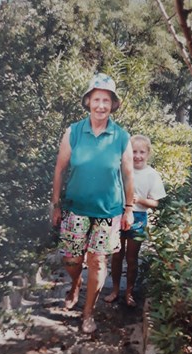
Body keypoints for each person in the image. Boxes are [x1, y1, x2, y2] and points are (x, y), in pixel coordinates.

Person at [51, 73, 134, 333]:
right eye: (97, 99)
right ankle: (75, 284)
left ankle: (88, 313)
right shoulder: (73, 132)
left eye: (106, 100)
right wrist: (55, 204)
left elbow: (128, 175)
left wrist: (129, 208)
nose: (101, 105)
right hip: (75, 209)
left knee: (98, 262)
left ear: (112, 104)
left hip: (107, 212)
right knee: (72, 259)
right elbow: (59, 170)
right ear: (88, 101)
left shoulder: (122, 137)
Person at [105, 134, 166, 307]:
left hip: (138, 218)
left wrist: (138, 200)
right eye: (134, 152)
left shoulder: (152, 174)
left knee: (132, 258)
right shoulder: (121, 169)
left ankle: (129, 292)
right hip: (118, 215)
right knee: (116, 256)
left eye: (142, 152)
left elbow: (155, 202)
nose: (138, 156)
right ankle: (115, 289)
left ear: (148, 153)